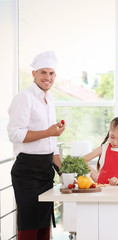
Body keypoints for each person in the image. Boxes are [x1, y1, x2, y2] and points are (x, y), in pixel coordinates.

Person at [7, 51, 65, 240]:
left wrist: (63, 171)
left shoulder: (50, 100)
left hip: (45, 171)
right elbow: (15, 134)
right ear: (34, 74)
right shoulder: (24, 98)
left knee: (43, 223)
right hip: (27, 171)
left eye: (51, 74)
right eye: (43, 73)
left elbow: (52, 142)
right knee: (29, 223)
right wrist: (49, 132)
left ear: (55, 76)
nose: (47, 78)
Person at [83, 117, 118, 185]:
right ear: (109, 132)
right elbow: (81, 160)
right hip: (103, 191)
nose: (114, 142)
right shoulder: (102, 149)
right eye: (112, 137)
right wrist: (92, 171)